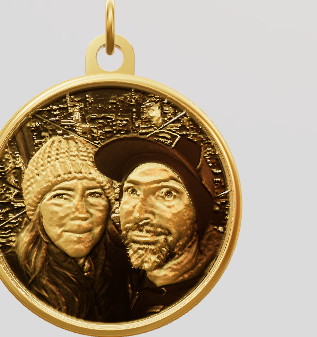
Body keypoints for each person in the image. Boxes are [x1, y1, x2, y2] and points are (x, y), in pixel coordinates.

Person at [94, 133, 223, 319]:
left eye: (167, 194)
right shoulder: (117, 275)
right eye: (132, 191)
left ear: (198, 214)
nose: (139, 214)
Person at [7, 135, 131, 322]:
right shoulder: (9, 277)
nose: (81, 212)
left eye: (94, 194)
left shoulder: (128, 267)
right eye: (61, 196)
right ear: (38, 212)